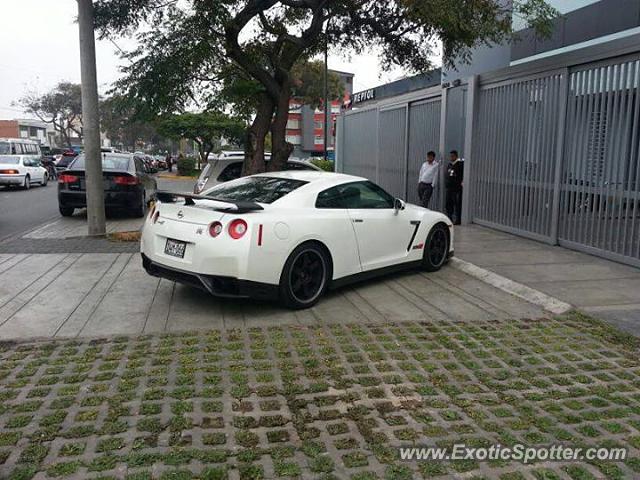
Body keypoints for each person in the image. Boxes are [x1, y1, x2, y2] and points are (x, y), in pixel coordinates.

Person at [445, 150, 464, 225]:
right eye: (450, 156)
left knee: (457, 204)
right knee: (448, 203)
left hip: (456, 188)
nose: (451, 157)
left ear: (456, 156)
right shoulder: (450, 164)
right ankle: (449, 218)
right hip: (449, 187)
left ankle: (458, 220)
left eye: (452, 156)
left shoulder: (460, 164)